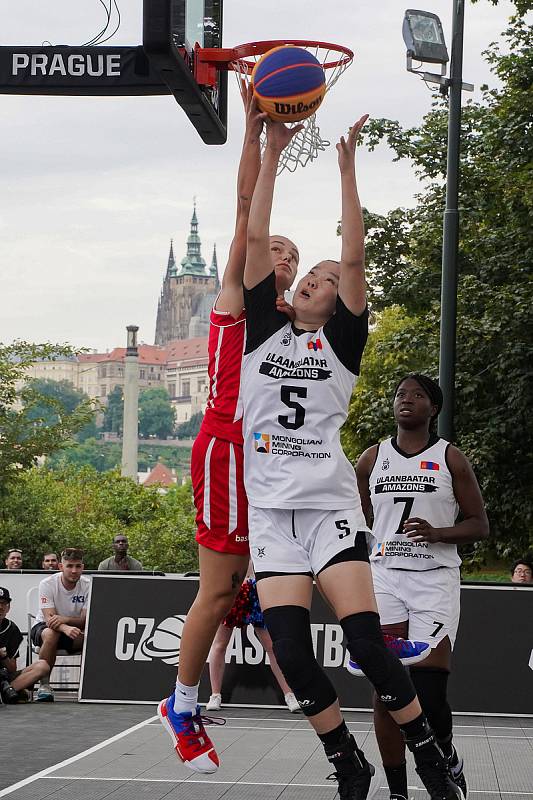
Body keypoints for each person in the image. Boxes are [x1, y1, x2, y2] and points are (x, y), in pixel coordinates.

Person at [239, 117, 462, 800]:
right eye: (310, 271)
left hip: (329, 509)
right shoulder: (259, 330)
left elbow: (356, 258)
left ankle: (430, 754)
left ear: (342, 303)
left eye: (328, 277)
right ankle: (345, 758)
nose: (315, 276)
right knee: (293, 655)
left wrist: (346, 170)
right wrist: (270, 152)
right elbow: (252, 233)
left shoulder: (340, 347)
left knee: (365, 647)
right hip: (273, 515)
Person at [157, 86, 298, 774]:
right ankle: (181, 704)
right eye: (268, 246)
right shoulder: (236, 301)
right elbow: (245, 212)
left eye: (288, 249)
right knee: (214, 591)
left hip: (277, 458)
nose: (277, 250)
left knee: (310, 567)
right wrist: (259, 138)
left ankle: (383, 628)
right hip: (227, 447)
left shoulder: (301, 327)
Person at [356, 373, 490, 800]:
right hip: (385, 579)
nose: (405, 400)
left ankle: (445, 758)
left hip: (434, 581)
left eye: (417, 395)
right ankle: (398, 790)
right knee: (387, 690)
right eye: (400, 394)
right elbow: (357, 527)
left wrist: (438, 533)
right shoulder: (371, 459)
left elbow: (479, 526)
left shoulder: (451, 458)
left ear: (434, 409)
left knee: (429, 696)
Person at [206, 571, 300, 714]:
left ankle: (289, 695)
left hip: (256, 591)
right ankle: (215, 695)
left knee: (271, 646)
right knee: (220, 644)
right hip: (233, 589)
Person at [30, 547, 90, 702]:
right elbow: (49, 618)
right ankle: (44, 685)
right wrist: (65, 626)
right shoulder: (47, 583)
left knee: (95, 638)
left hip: (73, 632)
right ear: (61, 567)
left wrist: (65, 620)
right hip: (43, 628)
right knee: (52, 633)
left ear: (82, 567)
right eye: (69, 566)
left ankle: (92, 687)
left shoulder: (88, 585)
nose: (74, 570)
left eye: (78, 566)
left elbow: (85, 620)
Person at [0, 586, 49, 703]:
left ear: (8, 607)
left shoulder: (11, 628)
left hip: (4, 675)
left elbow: (12, 668)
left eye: (3, 603)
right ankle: (11, 692)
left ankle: (7, 692)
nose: (0, 607)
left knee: (43, 665)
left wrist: (3, 656)